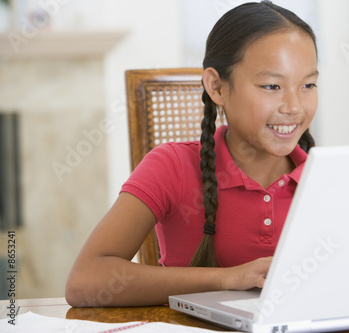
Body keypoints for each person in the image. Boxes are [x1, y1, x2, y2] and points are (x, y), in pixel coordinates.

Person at [65, 0, 319, 307]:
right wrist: (225, 279)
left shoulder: (325, 179)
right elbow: (85, 281)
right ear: (216, 87)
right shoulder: (172, 166)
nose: (293, 106)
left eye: (308, 84)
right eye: (270, 86)